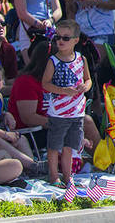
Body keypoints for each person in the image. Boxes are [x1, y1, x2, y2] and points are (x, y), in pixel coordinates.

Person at [41, 19, 91, 185]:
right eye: (58, 37)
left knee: (70, 146)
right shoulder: (52, 61)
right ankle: (54, 176)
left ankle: (68, 176)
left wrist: (85, 86)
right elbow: (45, 83)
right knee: (54, 146)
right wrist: (64, 91)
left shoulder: (81, 59)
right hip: (58, 112)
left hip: (77, 111)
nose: (60, 41)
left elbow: (88, 79)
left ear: (76, 40)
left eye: (65, 38)